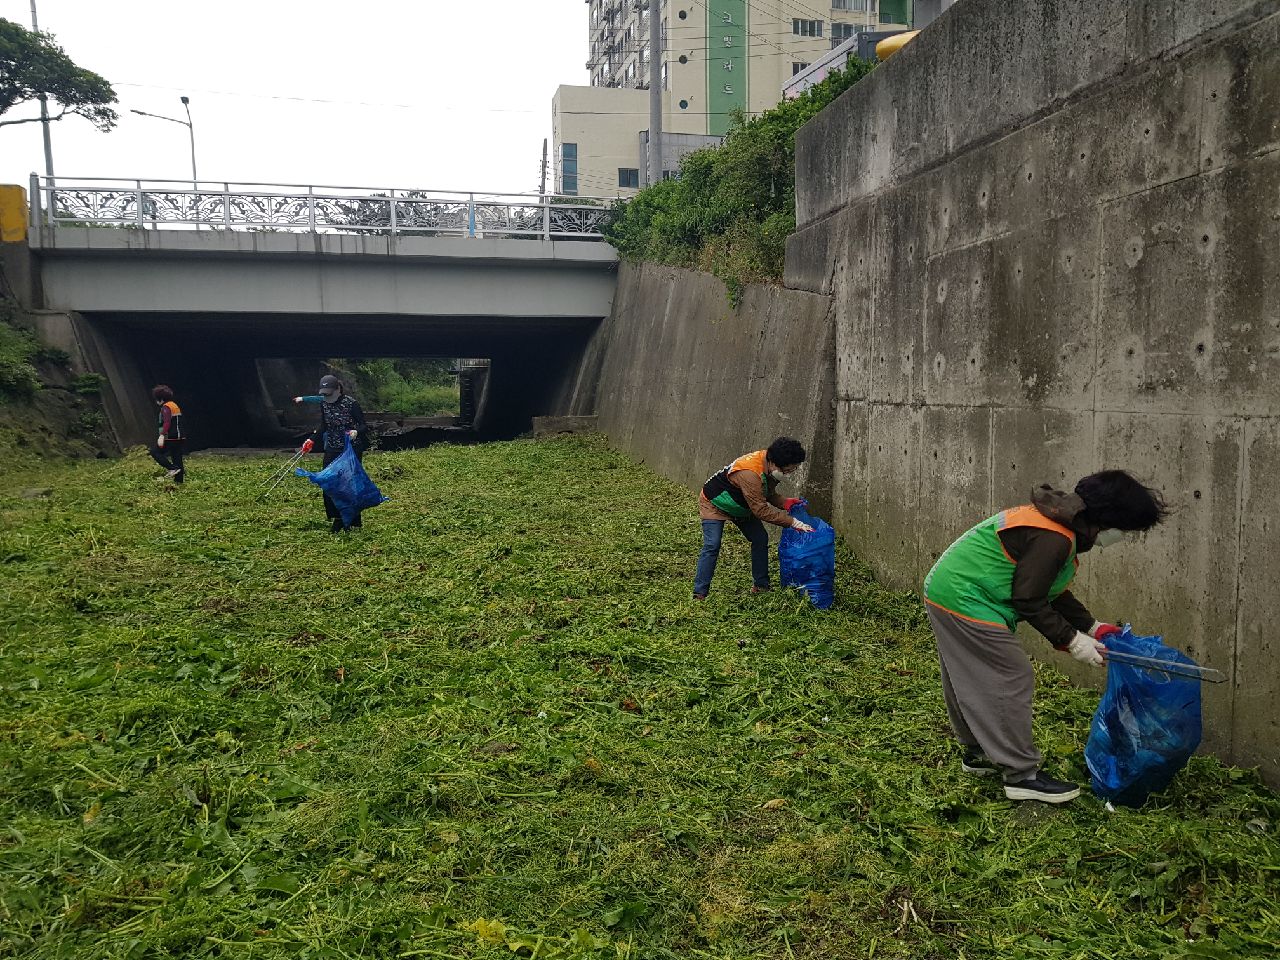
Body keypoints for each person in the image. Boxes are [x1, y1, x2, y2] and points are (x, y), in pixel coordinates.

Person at [923, 471, 1169, 803]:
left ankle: (977, 752)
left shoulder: (1056, 522)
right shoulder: (1054, 538)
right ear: (1107, 519)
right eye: (1124, 530)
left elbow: (1048, 589)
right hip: (967, 598)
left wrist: (1092, 627)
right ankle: (1021, 775)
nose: (1121, 537)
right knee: (1010, 676)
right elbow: (1029, 599)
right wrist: (1074, 642)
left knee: (969, 676)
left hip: (950, 590)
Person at [695, 437, 815, 599]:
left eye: (793, 470)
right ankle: (700, 592)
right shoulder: (750, 472)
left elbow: (766, 493)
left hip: (743, 505)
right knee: (712, 544)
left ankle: (761, 585)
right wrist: (792, 522)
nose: (789, 473)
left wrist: (785, 503)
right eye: (788, 470)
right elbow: (761, 510)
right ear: (775, 463)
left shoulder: (768, 463)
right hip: (715, 503)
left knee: (760, 538)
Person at [298, 375, 368, 533]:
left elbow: (364, 425)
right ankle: (337, 518)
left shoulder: (351, 404)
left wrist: (357, 431)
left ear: (338, 389)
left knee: (348, 484)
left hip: (351, 449)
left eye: (330, 393)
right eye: (324, 393)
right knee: (327, 482)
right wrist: (311, 439)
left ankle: (350, 520)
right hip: (332, 448)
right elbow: (324, 425)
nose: (327, 396)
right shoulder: (324, 403)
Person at [149, 384, 185, 484]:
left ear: (160, 398)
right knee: (177, 457)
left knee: (155, 452)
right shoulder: (174, 405)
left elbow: (167, 422)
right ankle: (179, 481)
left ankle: (171, 468)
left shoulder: (166, 407)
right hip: (179, 436)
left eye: (156, 398)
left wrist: (162, 435)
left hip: (171, 437)